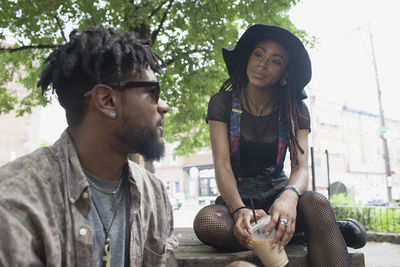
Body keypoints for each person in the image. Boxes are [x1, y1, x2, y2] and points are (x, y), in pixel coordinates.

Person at [0, 25, 178, 267]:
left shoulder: (153, 193)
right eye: (153, 93)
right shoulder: (15, 204)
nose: (164, 106)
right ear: (107, 101)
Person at [193, 24, 366, 266]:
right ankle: (306, 231)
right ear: (248, 58)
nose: (263, 64)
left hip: (278, 193)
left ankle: (301, 224)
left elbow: (301, 168)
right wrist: (238, 210)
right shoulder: (221, 102)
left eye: (275, 61)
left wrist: (290, 195)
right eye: (258, 54)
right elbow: (222, 165)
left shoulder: (296, 110)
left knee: (317, 203)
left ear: (285, 72)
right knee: (207, 223)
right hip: (237, 197)